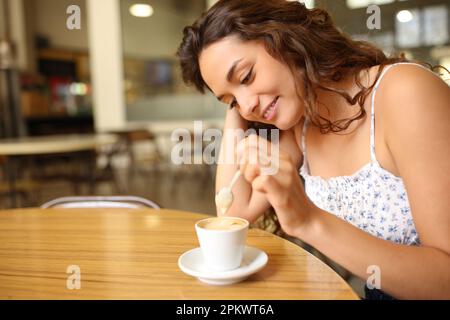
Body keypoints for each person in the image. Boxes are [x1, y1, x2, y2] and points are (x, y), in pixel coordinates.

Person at [176, 0, 450, 299]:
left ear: (286, 40)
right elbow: (233, 211)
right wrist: (235, 103)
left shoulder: (404, 93)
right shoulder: (302, 127)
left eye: (246, 76)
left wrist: (308, 220)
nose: (247, 106)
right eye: (231, 100)